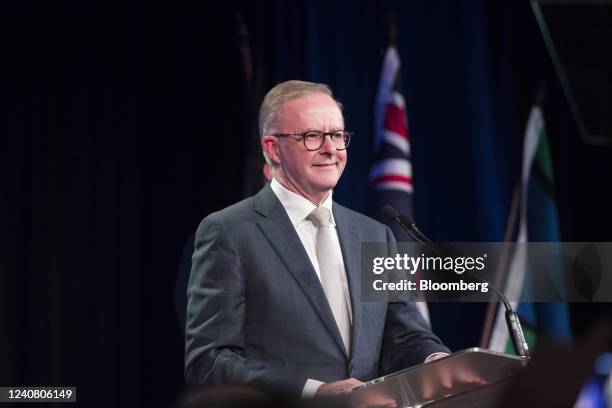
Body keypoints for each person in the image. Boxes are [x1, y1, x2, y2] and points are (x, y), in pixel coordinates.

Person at [184, 80, 449, 399]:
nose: (331, 149)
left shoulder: (374, 234)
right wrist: (315, 391)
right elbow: (209, 362)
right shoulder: (229, 232)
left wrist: (435, 360)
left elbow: (404, 336)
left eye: (337, 135)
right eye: (312, 136)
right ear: (272, 148)